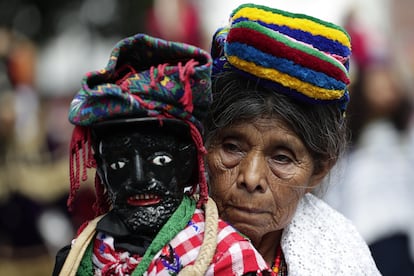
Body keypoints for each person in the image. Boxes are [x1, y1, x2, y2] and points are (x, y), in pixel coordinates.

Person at [52, 33, 271, 275]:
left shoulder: (230, 258)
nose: (138, 178)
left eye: (159, 160)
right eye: (118, 163)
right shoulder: (79, 256)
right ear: (101, 170)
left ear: (187, 162)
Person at [204, 3, 381, 275]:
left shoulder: (342, 254)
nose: (251, 179)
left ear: (319, 170)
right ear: (203, 144)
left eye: (282, 158)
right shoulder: (159, 238)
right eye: (232, 147)